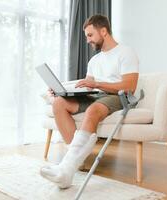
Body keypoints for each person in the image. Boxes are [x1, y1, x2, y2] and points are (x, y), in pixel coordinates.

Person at [40, 14, 139, 189]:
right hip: (95, 95)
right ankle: (74, 164)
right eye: (86, 36)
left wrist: (97, 84)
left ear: (104, 31)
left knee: (93, 109)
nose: (87, 40)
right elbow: (88, 86)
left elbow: (130, 86)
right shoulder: (94, 60)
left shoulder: (126, 52)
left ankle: (66, 169)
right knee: (59, 103)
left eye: (90, 35)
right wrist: (64, 92)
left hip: (117, 96)